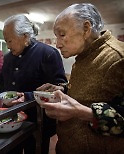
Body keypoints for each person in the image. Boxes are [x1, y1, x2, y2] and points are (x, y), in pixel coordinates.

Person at [0, 14, 67, 154]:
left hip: (38, 122)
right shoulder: (8, 57)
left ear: (24, 36)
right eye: (6, 41)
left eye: (10, 41)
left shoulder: (47, 54)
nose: (8, 45)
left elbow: (59, 89)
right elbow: (0, 82)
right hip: (11, 120)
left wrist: (28, 96)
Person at [37, 3, 124, 154]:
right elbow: (93, 91)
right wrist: (63, 88)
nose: (57, 44)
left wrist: (81, 112)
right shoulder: (85, 54)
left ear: (86, 29)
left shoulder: (118, 57)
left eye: (62, 35)